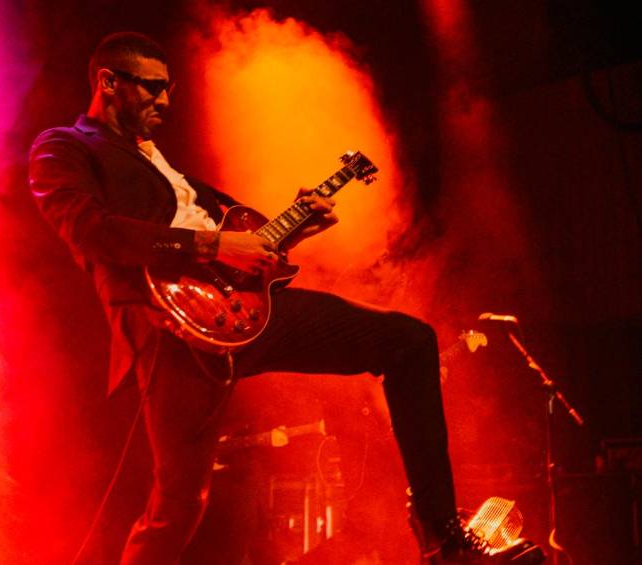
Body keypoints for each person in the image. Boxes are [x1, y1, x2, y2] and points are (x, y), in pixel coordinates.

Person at [28, 31, 544, 564]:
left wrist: (287, 235)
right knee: (180, 504)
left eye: (169, 89)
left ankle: (444, 539)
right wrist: (215, 244)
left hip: (241, 310)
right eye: (152, 87)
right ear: (109, 82)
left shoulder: (166, 166)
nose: (165, 101)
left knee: (409, 340)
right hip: (168, 327)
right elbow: (89, 229)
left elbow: (240, 246)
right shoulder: (64, 147)